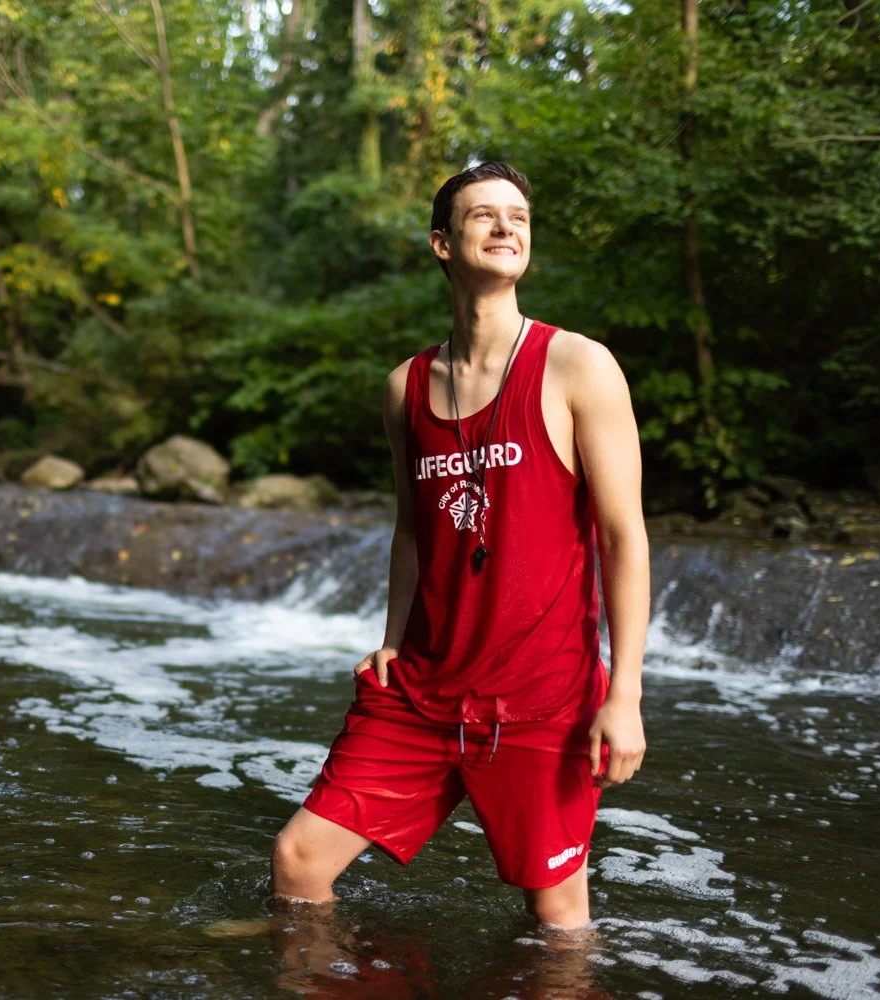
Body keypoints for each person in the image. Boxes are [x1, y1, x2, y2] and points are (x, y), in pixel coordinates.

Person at [271, 161, 650, 930]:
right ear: (443, 243)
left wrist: (627, 694)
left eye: (520, 216)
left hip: (543, 697)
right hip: (423, 689)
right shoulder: (404, 387)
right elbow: (413, 528)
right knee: (299, 862)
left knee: (556, 921)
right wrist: (390, 639)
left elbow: (623, 535)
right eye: (485, 216)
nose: (508, 227)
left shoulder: (578, 366)